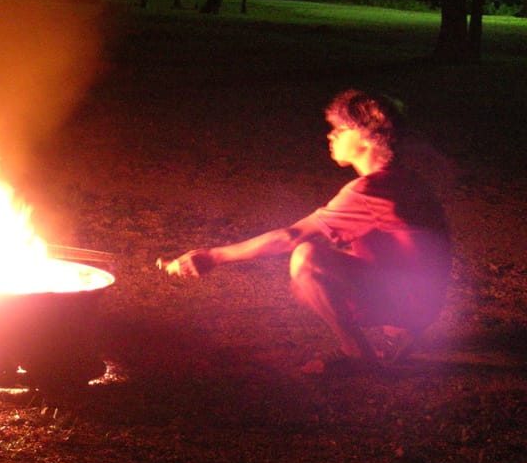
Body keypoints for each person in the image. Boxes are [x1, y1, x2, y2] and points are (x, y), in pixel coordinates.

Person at [162, 89, 451, 368]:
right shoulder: (403, 179)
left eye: (340, 130)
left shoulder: (370, 190)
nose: (331, 135)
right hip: (422, 302)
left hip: (410, 302)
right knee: (336, 258)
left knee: (306, 258)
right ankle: (398, 336)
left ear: (366, 139)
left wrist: (212, 256)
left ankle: (359, 354)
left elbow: (290, 237)